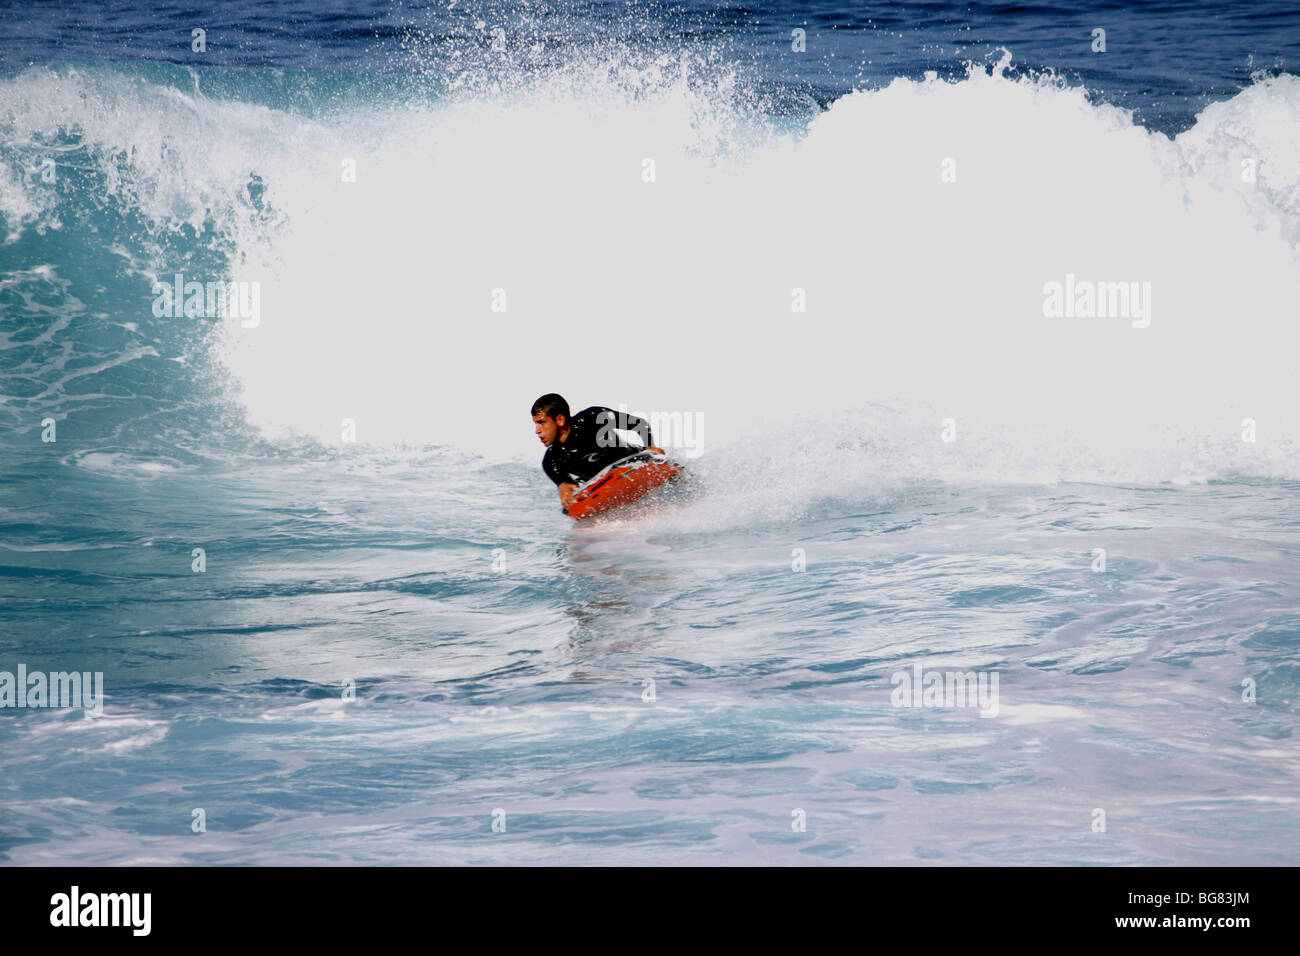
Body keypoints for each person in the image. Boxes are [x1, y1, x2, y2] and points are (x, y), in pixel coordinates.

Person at [531, 393, 664, 509]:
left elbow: (639, 424)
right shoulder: (551, 460)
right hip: (603, 484)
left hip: (634, 461)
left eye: (542, 422)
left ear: (560, 420)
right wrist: (564, 487)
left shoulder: (594, 418)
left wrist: (649, 447)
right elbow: (569, 488)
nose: (537, 431)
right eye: (536, 424)